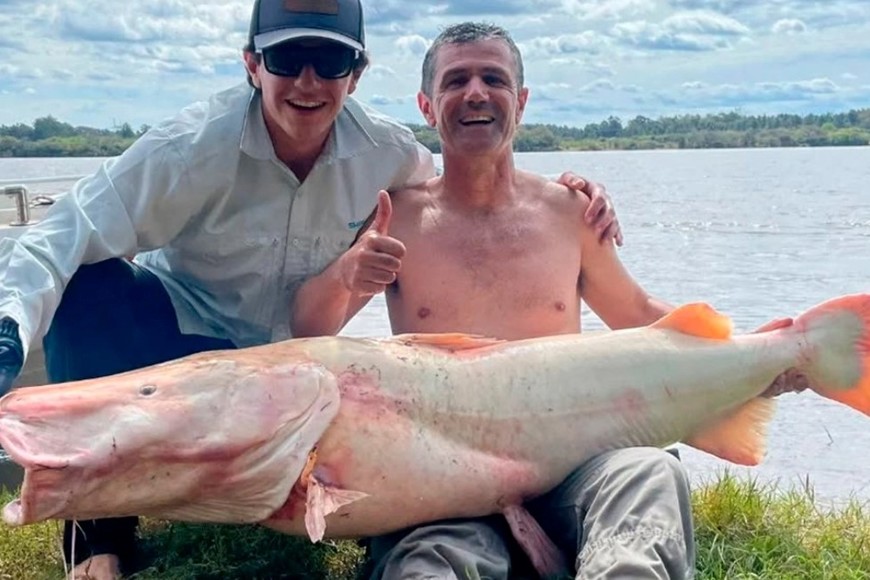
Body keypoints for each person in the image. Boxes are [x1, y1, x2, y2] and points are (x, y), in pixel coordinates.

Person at [0, 4, 621, 580]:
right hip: (181, 340)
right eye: (285, 58)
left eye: (329, 61)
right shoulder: (187, 149)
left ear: (356, 74)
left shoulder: (390, 157)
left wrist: (565, 196)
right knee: (87, 283)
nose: (307, 81)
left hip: (296, 364)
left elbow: (467, 187)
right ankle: (96, 532)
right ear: (252, 64)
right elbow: (61, 233)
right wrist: (8, 334)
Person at [294, 22, 805, 579]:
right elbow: (309, 330)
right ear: (426, 106)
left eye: (494, 79)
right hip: (444, 481)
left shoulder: (570, 211)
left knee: (650, 474)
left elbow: (636, 316)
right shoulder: (398, 217)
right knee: (429, 563)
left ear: (521, 101)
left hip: (576, 465)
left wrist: (759, 356)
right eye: (455, 81)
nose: (475, 93)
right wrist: (347, 274)